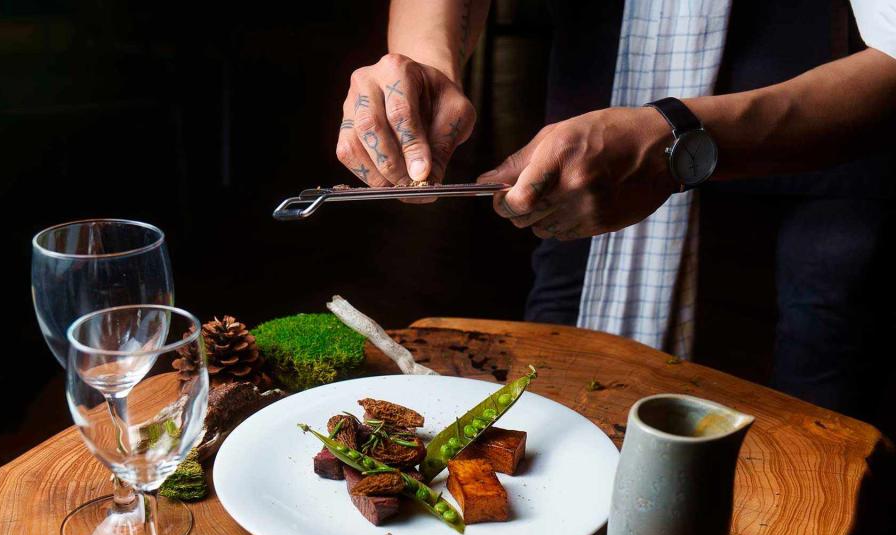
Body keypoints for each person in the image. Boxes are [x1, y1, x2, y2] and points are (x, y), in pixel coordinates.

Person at [334, 0, 896, 418]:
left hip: (829, 130)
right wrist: (427, 67)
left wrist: (673, 140)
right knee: (553, 389)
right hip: (592, 124)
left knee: (819, 403)